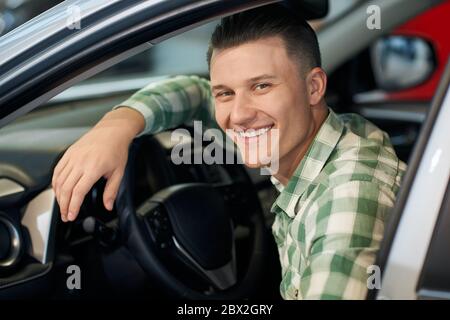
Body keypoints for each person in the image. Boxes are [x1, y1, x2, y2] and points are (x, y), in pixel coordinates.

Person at [51, 5, 406, 299]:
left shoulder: (347, 195)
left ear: (313, 87)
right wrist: (116, 127)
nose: (239, 115)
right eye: (226, 93)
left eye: (262, 86)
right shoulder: (342, 133)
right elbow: (193, 91)